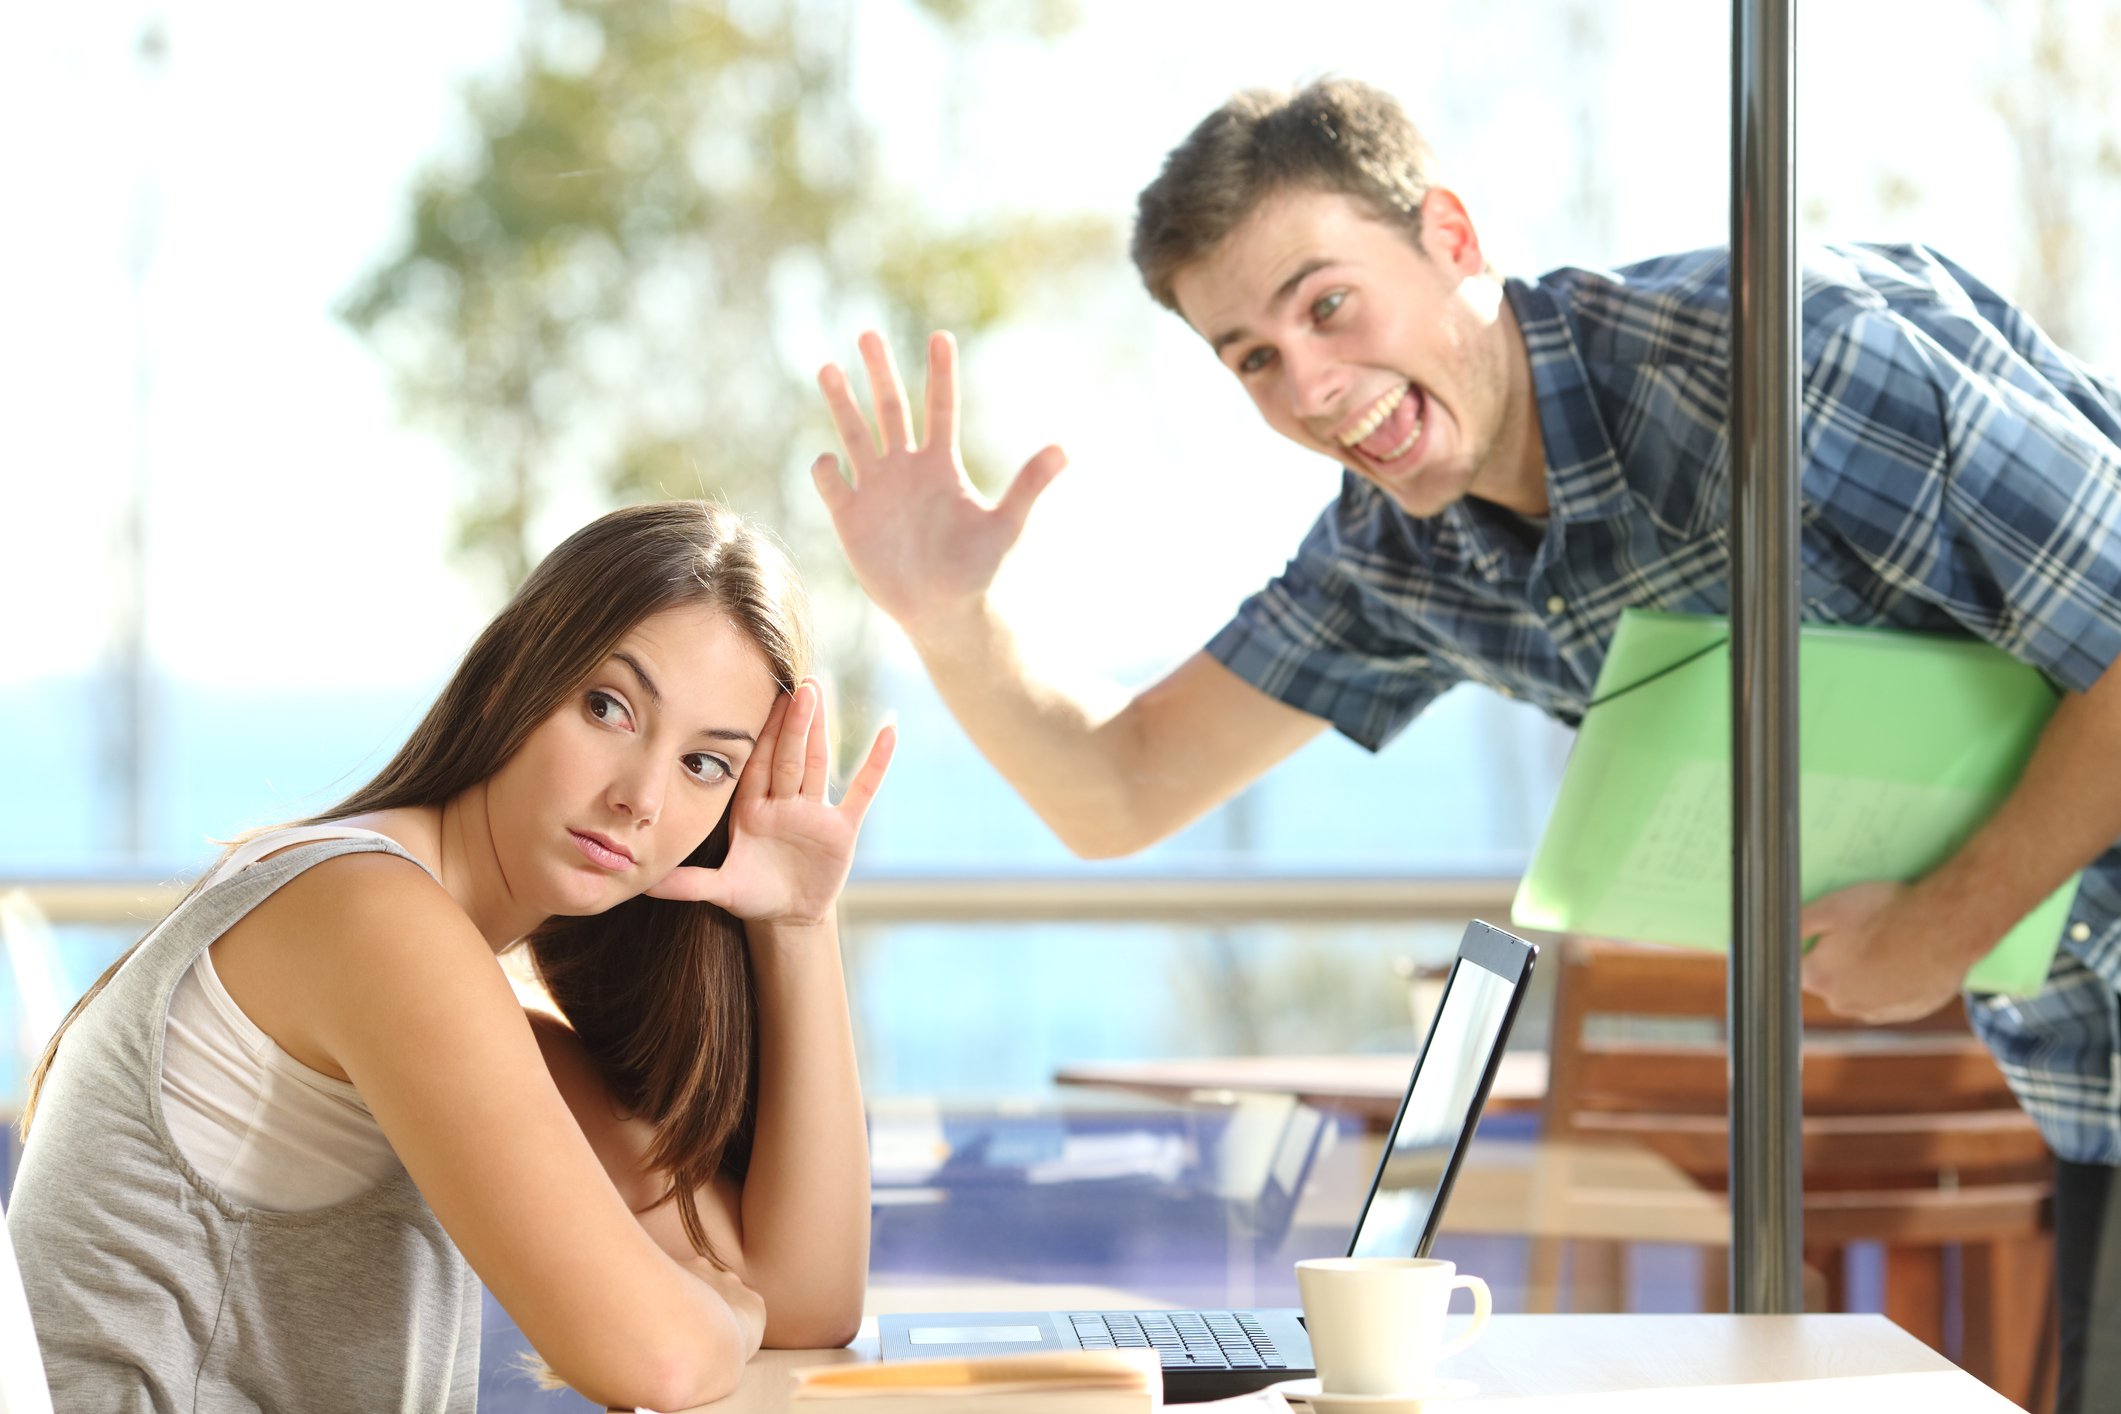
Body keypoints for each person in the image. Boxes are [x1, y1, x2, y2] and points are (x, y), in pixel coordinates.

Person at [810, 78, 2121, 1409]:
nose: (1309, 385)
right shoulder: (1402, 555)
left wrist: (1950, 917)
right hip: (2093, 1078)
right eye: (1252, 356)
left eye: (1326, 304)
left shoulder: (1790, 370)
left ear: (1448, 235)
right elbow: (1120, 789)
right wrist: (952, 618)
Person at [8, 500, 894, 1412]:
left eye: (704, 765)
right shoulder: (370, 915)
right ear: (517, 673)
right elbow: (658, 1361)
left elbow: (805, 1301)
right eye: (609, 707)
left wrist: (795, 922)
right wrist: (727, 1314)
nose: (640, 797)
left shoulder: (457, 983)